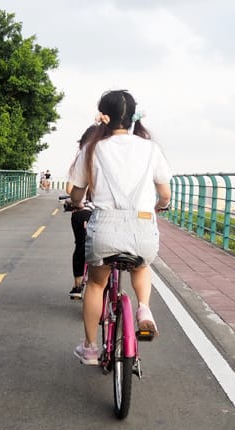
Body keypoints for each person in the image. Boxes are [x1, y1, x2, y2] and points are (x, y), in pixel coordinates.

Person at [67, 89, 172, 365]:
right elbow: (165, 193)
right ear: (133, 118)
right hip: (142, 227)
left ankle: (90, 348)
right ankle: (144, 309)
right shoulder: (150, 149)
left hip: (105, 230)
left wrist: (76, 203)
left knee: (96, 283)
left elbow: (77, 194)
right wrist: (160, 205)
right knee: (141, 265)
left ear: (104, 116)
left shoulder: (92, 148)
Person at [66, 125, 99, 300]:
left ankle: (77, 285)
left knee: (81, 245)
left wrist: (74, 202)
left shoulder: (84, 156)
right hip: (111, 214)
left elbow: (71, 188)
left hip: (83, 212)